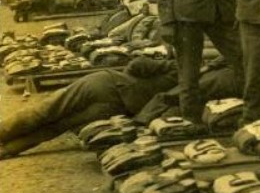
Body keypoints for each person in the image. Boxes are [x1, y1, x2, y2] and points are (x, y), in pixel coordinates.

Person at [0, 58, 177, 159]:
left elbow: (137, 65)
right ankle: (8, 149)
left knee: (46, 111)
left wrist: (132, 81)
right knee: (60, 126)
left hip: (107, 84)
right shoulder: (195, 89)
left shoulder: (177, 67)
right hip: (119, 107)